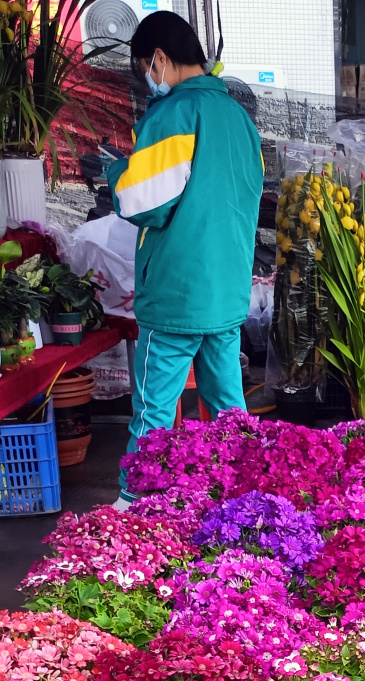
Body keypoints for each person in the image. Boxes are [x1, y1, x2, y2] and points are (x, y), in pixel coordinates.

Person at [105, 11, 262, 505]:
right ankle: (238, 504)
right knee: (229, 413)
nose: (147, 80)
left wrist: (117, 173)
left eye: (143, 69)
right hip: (227, 291)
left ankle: (135, 512)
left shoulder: (173, 114)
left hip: (177, 293)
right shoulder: (238, 116)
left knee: (154, 413)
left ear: (159, 59)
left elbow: (142, 200)